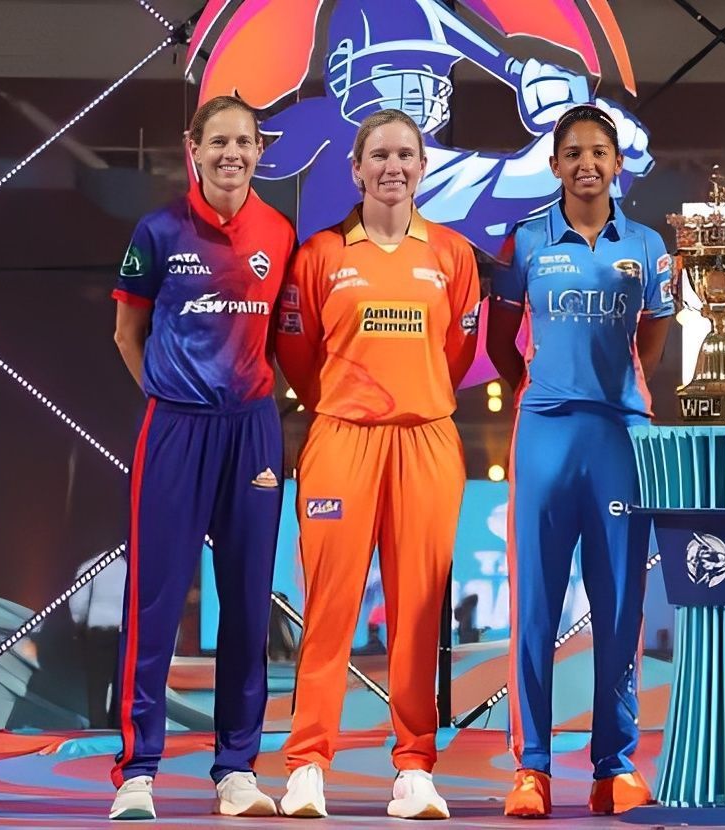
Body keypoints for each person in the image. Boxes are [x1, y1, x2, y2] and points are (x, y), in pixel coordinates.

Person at [275, 108, 480, 820]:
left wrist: (410, 400)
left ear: (423, 168)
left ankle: (415, 768)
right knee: (329, 605)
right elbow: (300, 358)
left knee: (419, 611)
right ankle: (307, 764)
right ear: (356, 169)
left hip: (426, 439)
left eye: (406, 155)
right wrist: (346, 403)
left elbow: (454, 353)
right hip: (341, 438)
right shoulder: (320, 254)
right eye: (380, 156)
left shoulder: (452, 255)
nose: (394, 166)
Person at [108, 95, 294, 820]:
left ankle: (237, 771)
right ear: (194, 146)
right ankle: (138, 771)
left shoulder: (279, 233)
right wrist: (170, 395)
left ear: (258, 150)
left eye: (243, 142)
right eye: (218, 141)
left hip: (252, 430)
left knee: (248, 602)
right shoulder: (157, 231)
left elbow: (285, 337)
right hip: (175, 429)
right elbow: (128, 334)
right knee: (154, 600)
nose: (231, 155)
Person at [485, 103, 673, 818]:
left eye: (601, 152)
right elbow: (503, 344)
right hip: (545, 434)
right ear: (555, 163)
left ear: (617, 164)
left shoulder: (650, 246)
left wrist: (612, 391)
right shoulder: (526, 242)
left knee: (621, 606)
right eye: (574, 153)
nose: (588, 163)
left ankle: (613, 765)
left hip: (620, 437)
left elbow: (651, 343)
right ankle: (531, 769)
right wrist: (544, 387)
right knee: (535, 607)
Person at [67, 553, 127, 729]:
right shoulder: (139, 568)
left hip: (98, 632)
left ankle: (98, 729)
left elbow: (77, 601)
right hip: (126, 633)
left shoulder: (93, 565)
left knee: (97, 687)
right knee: (123, 684)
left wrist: (79, 623)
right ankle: (119, 729)